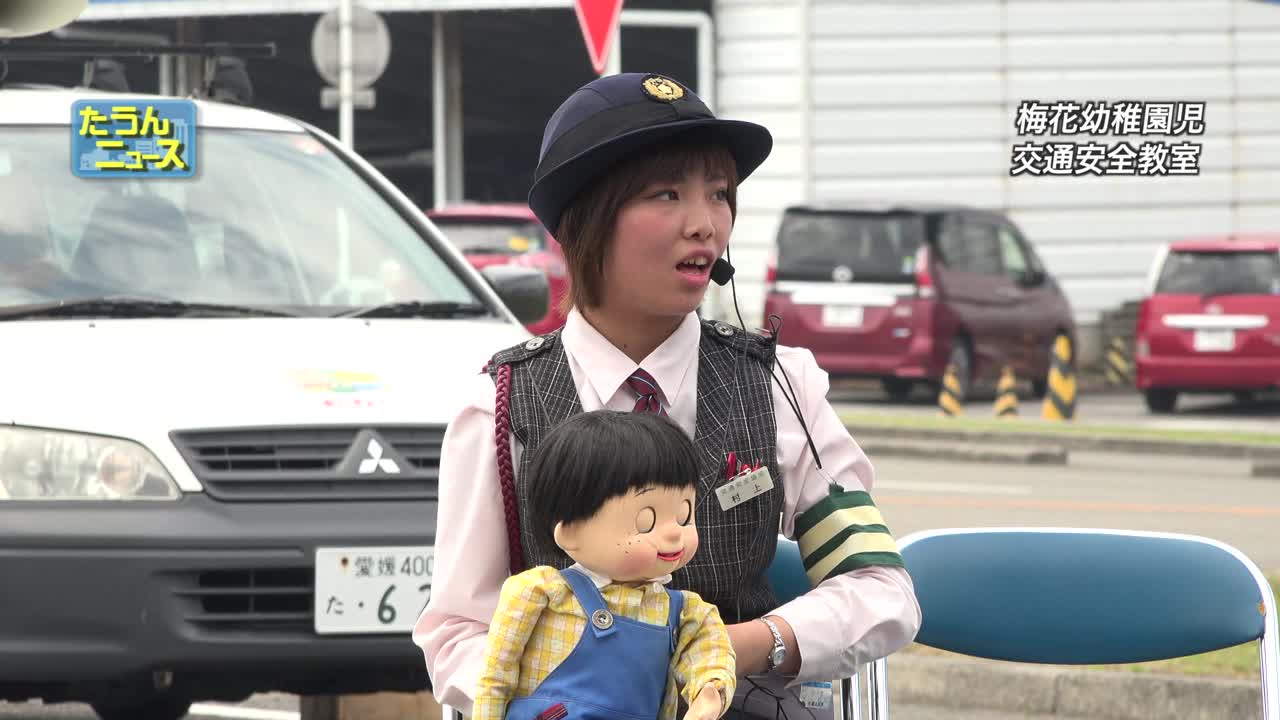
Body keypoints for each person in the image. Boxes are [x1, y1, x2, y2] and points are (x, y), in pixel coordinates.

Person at [414, 72, 921, 719]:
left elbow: (880, 588)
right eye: (667, 194)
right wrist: (553, 694)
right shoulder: (498, 406)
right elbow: (457, 630)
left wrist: (739, 647)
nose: (704, 224)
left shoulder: (781, 383)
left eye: (719, 194)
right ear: (583, 220)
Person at [473, 410, 734, 720]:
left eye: (684, 515)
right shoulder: (541, 592)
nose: (675, 533)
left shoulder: (685, 613)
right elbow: (496, 679)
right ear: (571, 533)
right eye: (647, 520)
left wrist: (708, 693)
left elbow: (712, 656)